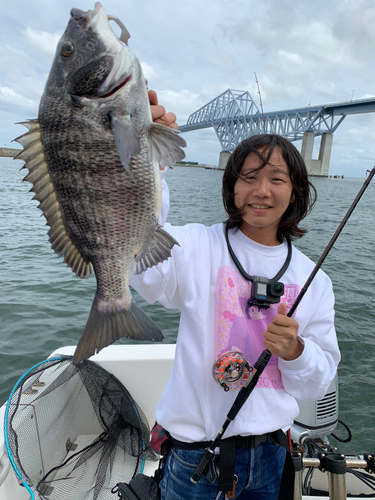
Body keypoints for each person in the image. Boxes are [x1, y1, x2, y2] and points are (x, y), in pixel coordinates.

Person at [131, 92, 341, 499]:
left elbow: (318, 383)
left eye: (277, 179)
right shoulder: (196, 246)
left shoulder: (315, 279)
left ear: (295, 192)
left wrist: (296, 351)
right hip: (196, 458)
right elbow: (142, 255)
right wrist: (146, 157)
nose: (262, 190)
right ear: (232, 188)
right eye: (248, 177)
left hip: (271, 456)